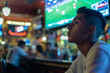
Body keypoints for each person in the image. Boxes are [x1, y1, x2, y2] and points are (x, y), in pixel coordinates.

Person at [65, 7, 110, 73]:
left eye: (76, 22)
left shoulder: (100, 51)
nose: (69, 27)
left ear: (90, 29)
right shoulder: (81, 58)